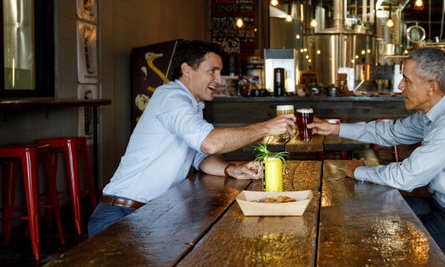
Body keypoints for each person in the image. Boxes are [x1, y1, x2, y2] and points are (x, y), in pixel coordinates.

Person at [309, 47, 445, 263]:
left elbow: (408, 177)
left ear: (431, 87)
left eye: (407, 80)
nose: (400, 86)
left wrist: (359, 171)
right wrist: (337, 129)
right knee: (371, 212)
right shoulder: (434, 113)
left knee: (382, 241)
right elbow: (391, 132)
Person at [87, 40, 296, 236]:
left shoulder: (191, 105)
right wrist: (266, 127)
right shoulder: (171, 97)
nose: (219, 80)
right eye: (212, 71)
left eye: (220, 72)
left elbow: (200, 156)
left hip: (151, 215)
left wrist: (231, 169)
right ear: (187, 70)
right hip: (122, 215)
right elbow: (210, 143)